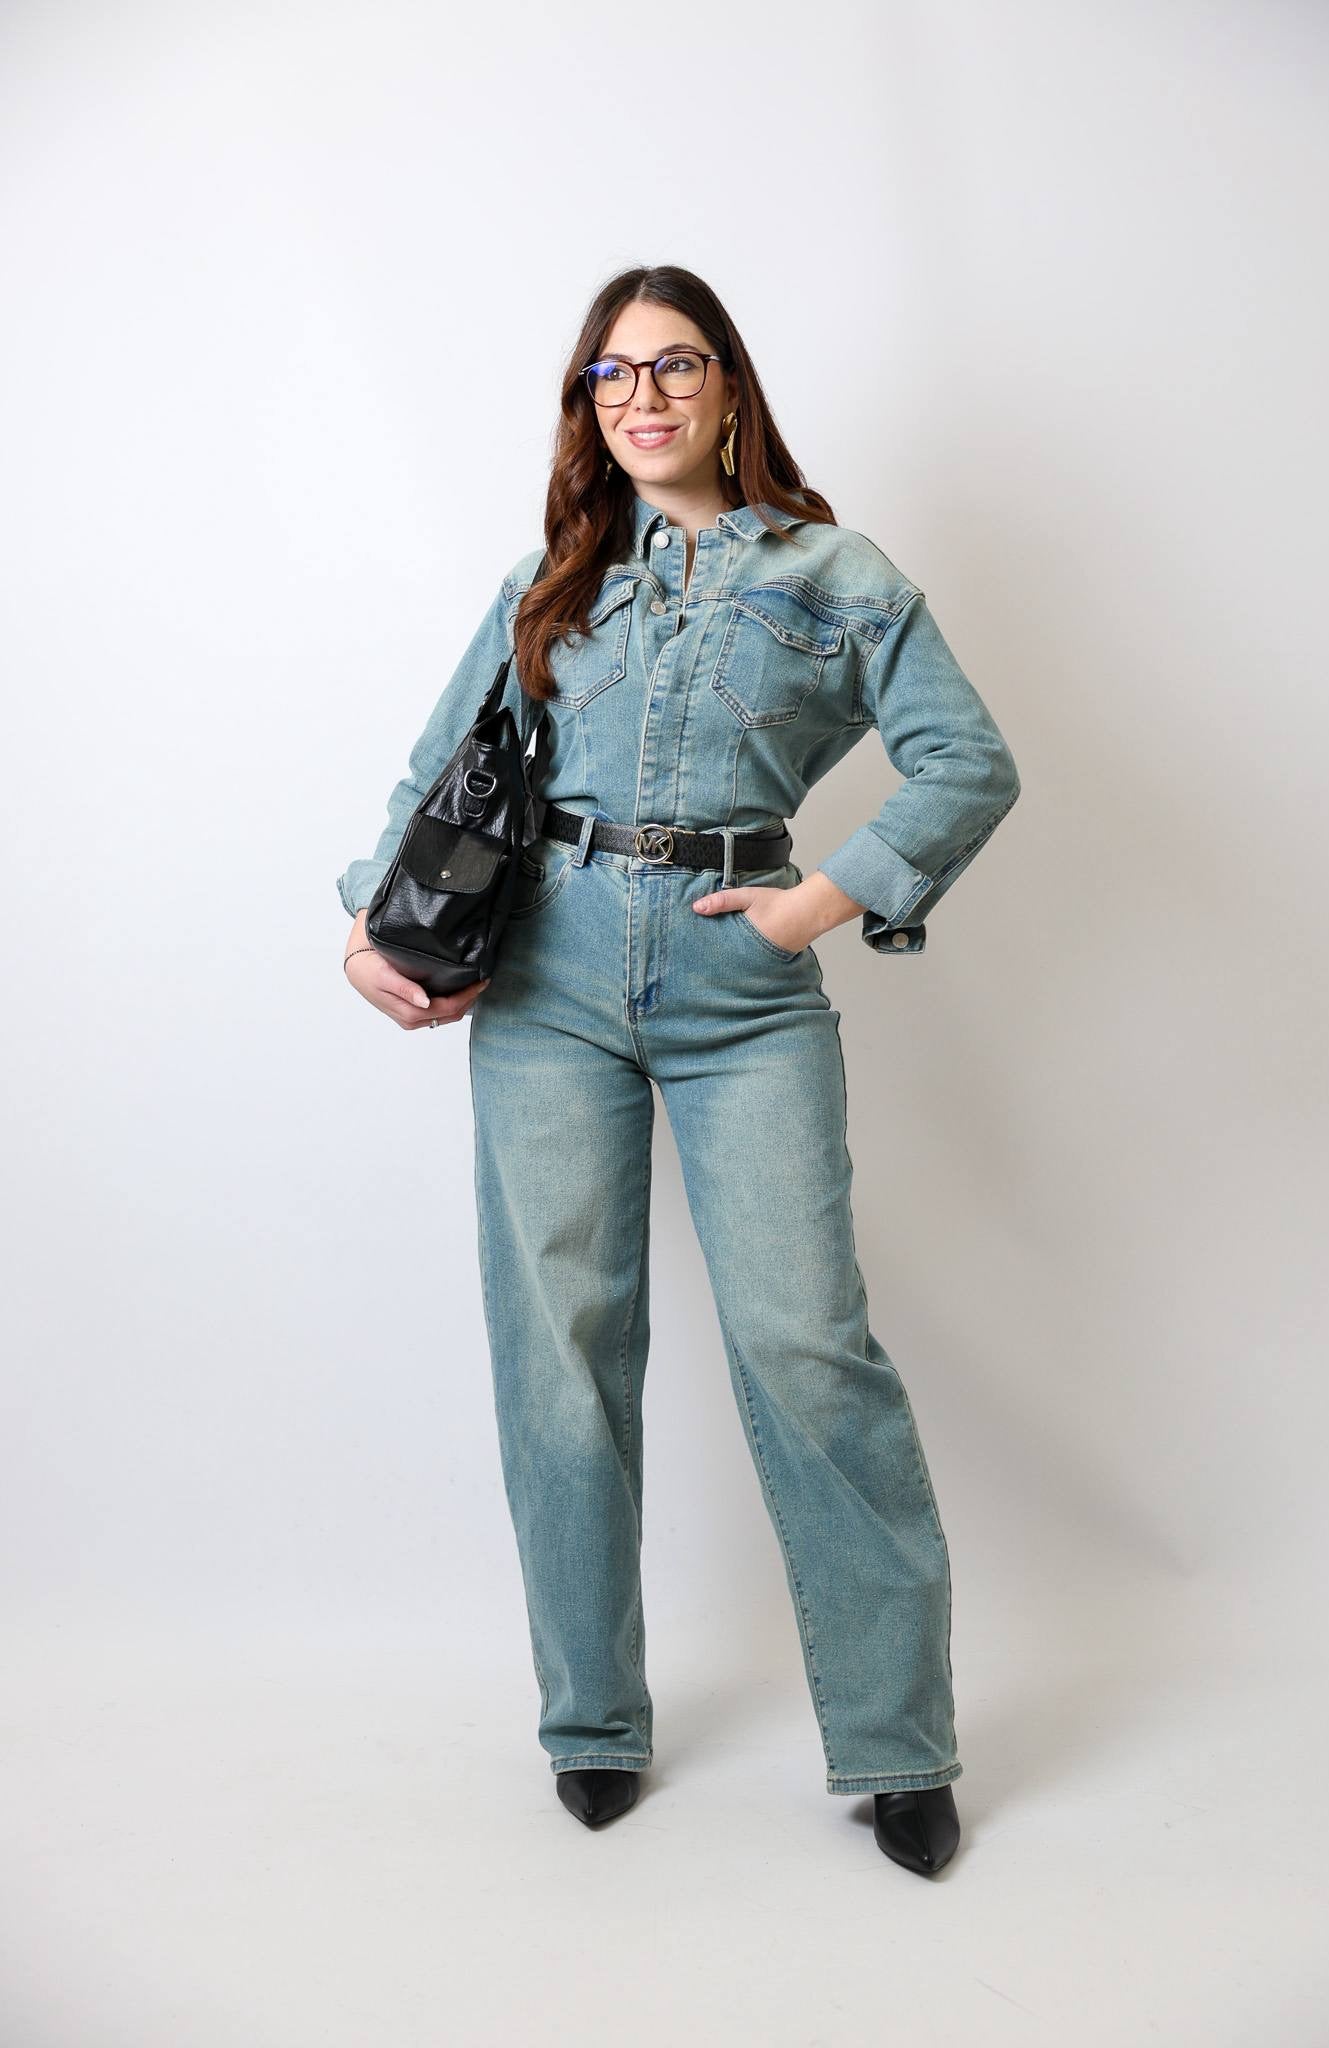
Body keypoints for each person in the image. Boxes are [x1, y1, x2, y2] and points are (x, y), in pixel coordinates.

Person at [338, 265, 1021, 1876]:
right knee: (561, 1349)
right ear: (588, 407)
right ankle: (589, 1719)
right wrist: (374, 928)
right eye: (611, 375)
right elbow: (444, 771)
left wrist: (817, 901)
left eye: (674, 366)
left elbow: (965, 760)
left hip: (741, 989)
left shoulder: (835, 574)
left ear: (727, 390)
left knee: (807, 1348)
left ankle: (897, 1743)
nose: (640, 397)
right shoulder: (552, 578)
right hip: (546, 982)